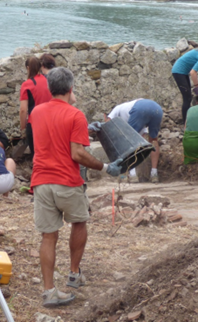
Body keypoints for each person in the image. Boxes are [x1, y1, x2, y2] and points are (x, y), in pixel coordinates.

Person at [30, 67, 123, 308]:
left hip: (41, 181)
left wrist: (85, 129)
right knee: (79, 222)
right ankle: (73, 273)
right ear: (71, 88)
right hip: (67, 182)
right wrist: (105, 167)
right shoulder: (75, 115)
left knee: (48, 237)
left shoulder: (36, 112)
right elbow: (77, 153)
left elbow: (52, 133)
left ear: (51, 88)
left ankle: (49, 291)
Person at [103, 99, 163, 182]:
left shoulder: (116, 109)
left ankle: (132, 174)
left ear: (105, 116)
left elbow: (108, 124)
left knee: (128, 143)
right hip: (157, 109)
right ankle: (154, 174)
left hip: (140, 108)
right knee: (153, 141)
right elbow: (141, 137)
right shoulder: (130, 113)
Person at [19, 56, 52, 157]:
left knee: (37, 155)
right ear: (40, 66)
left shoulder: (26, 84)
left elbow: (23, 110)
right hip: (52, 121)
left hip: (35, 123)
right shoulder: (50, 80)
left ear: (28, 68)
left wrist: (23, 127)